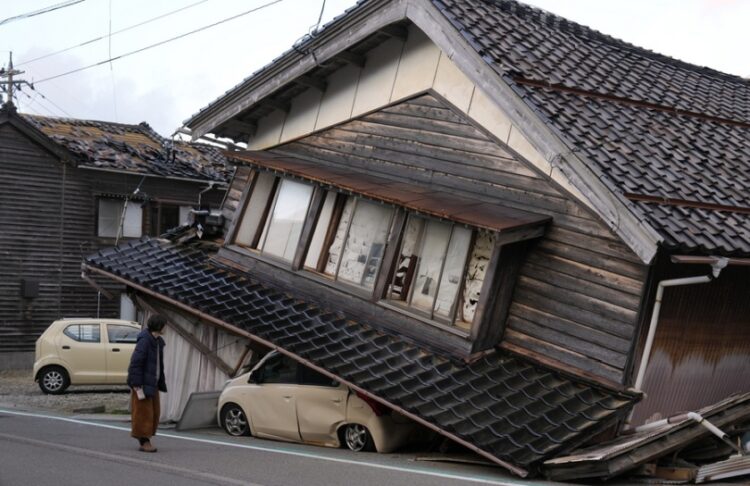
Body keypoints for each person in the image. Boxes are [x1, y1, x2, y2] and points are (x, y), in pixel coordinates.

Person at [127, 314, 167, 453]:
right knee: (143, 413)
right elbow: (136, 363)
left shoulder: (157, 341)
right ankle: (144, 441)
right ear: (159, 327)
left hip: (152, 382)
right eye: (164, 325)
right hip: (142, 383)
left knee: (154, 412)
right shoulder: (145, 341)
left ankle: (146, 439)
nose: (165, 328)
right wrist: (136, 384)